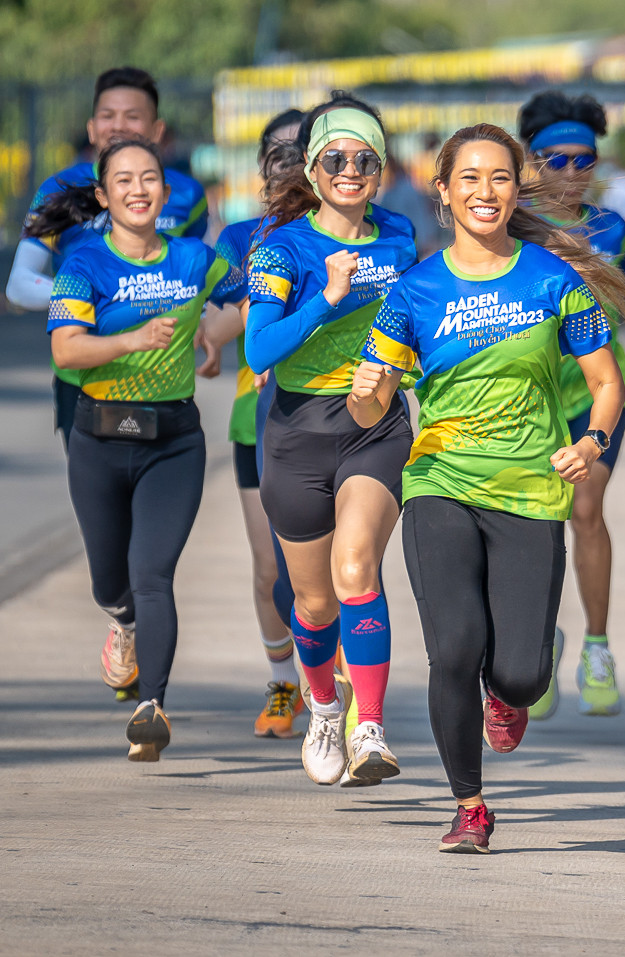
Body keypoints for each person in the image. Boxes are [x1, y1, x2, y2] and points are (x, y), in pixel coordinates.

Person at [352, 123, 625, 854]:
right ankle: (469, 804)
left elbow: (607, 382)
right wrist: (368, 389)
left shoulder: (551, 279)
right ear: (442, 192)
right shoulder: (415, 289)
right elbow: (368, 408)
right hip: (440, 478)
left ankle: (509, 697)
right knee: (454, 649)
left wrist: (591, 441)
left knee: (521, 669)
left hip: (530, 488)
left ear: (515, 189)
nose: (485, 191)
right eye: (468, 177)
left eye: (499, 177)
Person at [35, 136, 243, 760]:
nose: (138, 189)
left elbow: (248, 296)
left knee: (153, 574)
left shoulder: (191, 259)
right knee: (110, 582)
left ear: (165, 190)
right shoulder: (85, 267)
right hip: (98, 441)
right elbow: (66, 349)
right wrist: (132, 340)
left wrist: (215, 334)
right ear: (103, 196)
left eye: (149, 177)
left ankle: (151, 707)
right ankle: (120, 624)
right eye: (123, 180)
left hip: (172, 444)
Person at [245, 94, 419, 789]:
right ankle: (323, 706)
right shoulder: (282, 247)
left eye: (365, 159)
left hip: (375, 423)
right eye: (336, 158)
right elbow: (261, 347)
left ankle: (369, 725)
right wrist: (327, 298)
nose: (352, 170)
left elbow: (421, 321)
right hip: (296, 431)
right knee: (314, 604)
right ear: (313, 169)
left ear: (380, 170)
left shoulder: (400, 235)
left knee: (357, 571)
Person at [517, 91, 625, 718]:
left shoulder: (611, 229)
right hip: (528, 394)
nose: (572, 172)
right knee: (535, 520)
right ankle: (541, 642)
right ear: (532, 161)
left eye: (585, 160)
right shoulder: (512, 224)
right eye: (557, 159)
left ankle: (597, 646)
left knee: (584, 506)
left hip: (600, 392)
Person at [9, 69, 210, 441]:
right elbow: (19, 284)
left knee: (162, 494)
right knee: (99, 496)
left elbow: (207, 279)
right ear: (90, 128)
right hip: (85, 381)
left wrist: (209, 325)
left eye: (132, 116)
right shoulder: (59, 190)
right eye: (107, 115)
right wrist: (94, 301)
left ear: (157, 130)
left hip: (164, 382)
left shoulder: (186, 195)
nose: (118, 125)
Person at [211, 109, 308, 737]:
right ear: (260, 171)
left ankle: (344, 691)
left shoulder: (354, 234)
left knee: (329, 572)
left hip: (333, 419)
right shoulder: (241, 241)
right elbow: (214, 329)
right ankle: (284, 684)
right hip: (257, 424)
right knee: (272, 570)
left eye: (304, 151)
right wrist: (272, 300)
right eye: (278, 153)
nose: (292, 163)